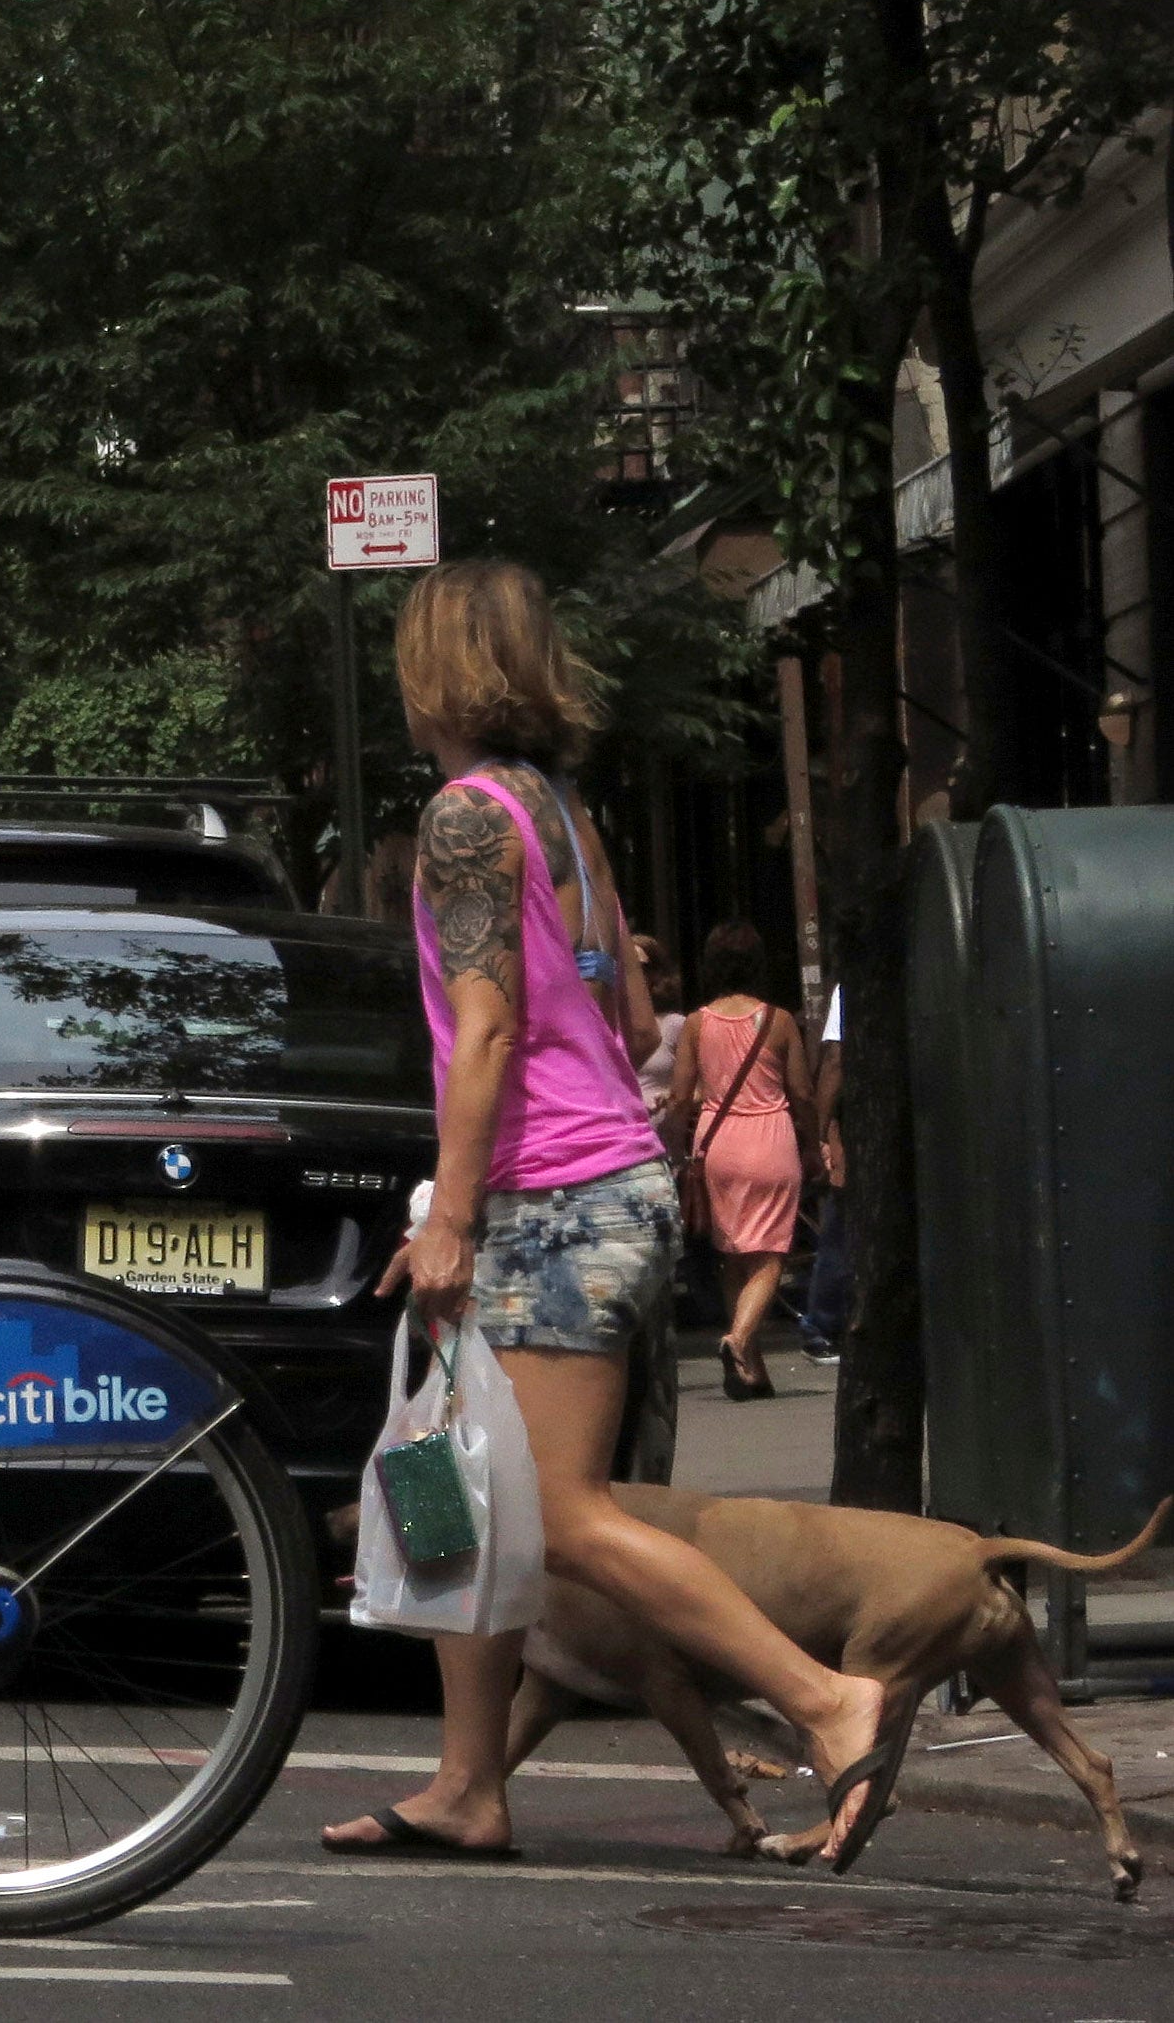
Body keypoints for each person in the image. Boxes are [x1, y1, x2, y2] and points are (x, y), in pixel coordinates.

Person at [322, 559, 905, 1870]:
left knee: (564, 1513)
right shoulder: (562, 816)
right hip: (599, 1181)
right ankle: (468, 1786)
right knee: (456, 1497)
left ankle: (827, 1699)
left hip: (554, 1197)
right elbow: (635, 1020)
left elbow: (483, 1032)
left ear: (438, 669)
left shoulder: (468, 820)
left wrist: (454, 1214)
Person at [667, 920, 817, 1401]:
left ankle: (751, 1368)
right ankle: (736, 1340)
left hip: (718, 1143)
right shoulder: (778, 1021)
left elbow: (679, 1097)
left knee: (733, 1255)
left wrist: (673, 1147)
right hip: (770, 1140)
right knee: (771, 1253)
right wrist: (814, 1142)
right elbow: (801, 1092)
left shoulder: (696, 1022)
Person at [800, 982, 850, 1363]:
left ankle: (824, 1321)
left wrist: (822, 1128)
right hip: (860, 1124)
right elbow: (834, 1058)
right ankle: (824, 1320)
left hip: (854, 1122)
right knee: (841, 1226)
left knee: (842, 1225)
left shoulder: (848, 987)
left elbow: (835, 1058)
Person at [631, 934, 684, 1124]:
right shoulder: (606, 1025)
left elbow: (705, 1087)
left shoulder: (675, 1025)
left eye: (639, 967)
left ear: (656, 973)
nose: (629, 972)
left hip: (662, 1141)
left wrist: (673, 1096)